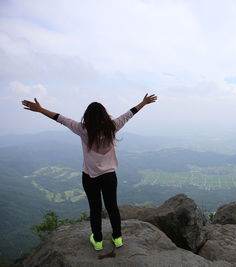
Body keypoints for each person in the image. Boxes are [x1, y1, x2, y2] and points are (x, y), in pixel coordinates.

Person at [21, 94, 157, 250]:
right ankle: (117, 238)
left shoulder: (82, 130)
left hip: (90, 177)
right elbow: (129, 114)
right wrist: (144, 103)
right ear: (105, 115)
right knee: (112, 207)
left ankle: (98, 241)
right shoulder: (112, 127)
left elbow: (60, 118)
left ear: (87, 117)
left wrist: (40, 109)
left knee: (95, 209)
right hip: (110, 177)